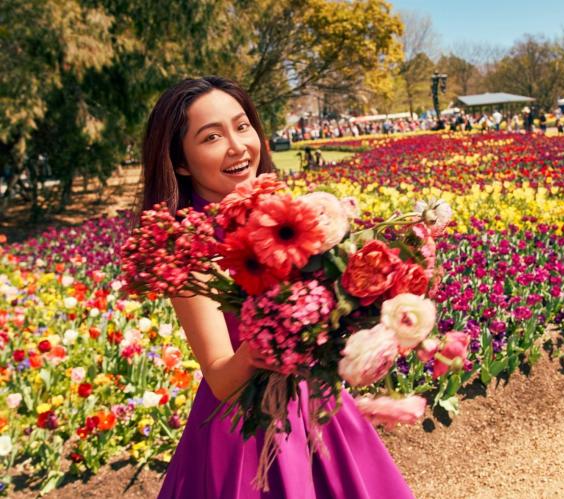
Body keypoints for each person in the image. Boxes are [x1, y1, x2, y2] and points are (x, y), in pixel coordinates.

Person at [140, 76, 415, 499]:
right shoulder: (190, 250)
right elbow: (221, 379)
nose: (237, 146)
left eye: (242, 125)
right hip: (248, 433)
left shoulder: (284, 217)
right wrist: (278, 333)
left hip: (318, 409)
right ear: (180, 162)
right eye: (212, 136)